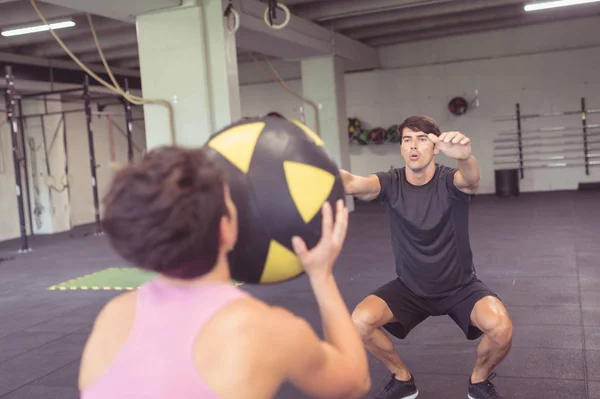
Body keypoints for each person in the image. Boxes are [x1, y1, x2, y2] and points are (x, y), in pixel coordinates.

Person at [78, 146, 371, 399]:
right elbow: (355, 382)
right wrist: (322, 276)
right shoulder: (264, 329)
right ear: (225, 229)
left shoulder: (112, 318)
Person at [340, 116, 513, 399]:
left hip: (460, 287)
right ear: (401, 148)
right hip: (410, 288)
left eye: (422, 139)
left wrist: (466, 158)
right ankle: (402, 379)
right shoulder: (390, 182)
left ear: (435, 147)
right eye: (407, 139)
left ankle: (479, 382)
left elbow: (470, 181)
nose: (413, 146)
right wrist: (314, 172)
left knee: (501, 328)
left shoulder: (448, 180)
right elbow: (351, 182)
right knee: (360, 321)